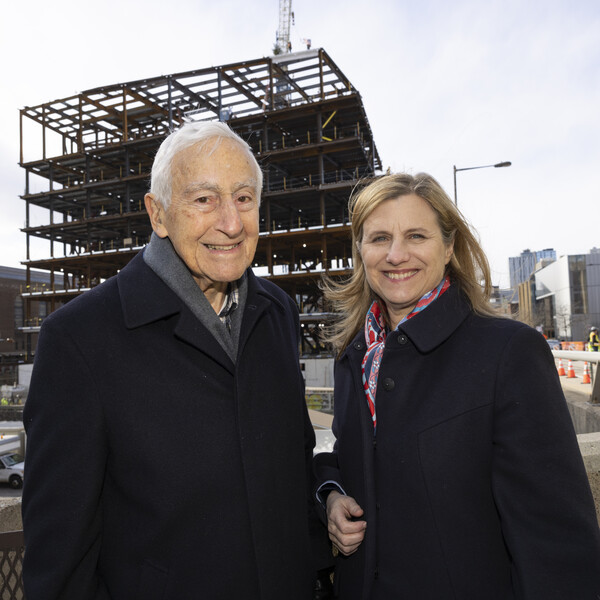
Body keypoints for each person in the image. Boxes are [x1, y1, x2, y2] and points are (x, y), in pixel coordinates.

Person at [22, 121, 326, 600]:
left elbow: (293, 462)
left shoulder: (278, 311)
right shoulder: (80, 338)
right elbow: (60, 554)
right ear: (158, 214)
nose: (230, 222)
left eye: (244, 198)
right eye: (204, 199)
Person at [313, 173, 600, 599]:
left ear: (448, 247)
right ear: (360, 251)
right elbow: (349, 455)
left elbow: (555, 538)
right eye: (378, 238)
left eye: (416, 235)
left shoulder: (508, 353)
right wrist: (332, 496)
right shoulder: (354, 356)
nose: (396, 254)